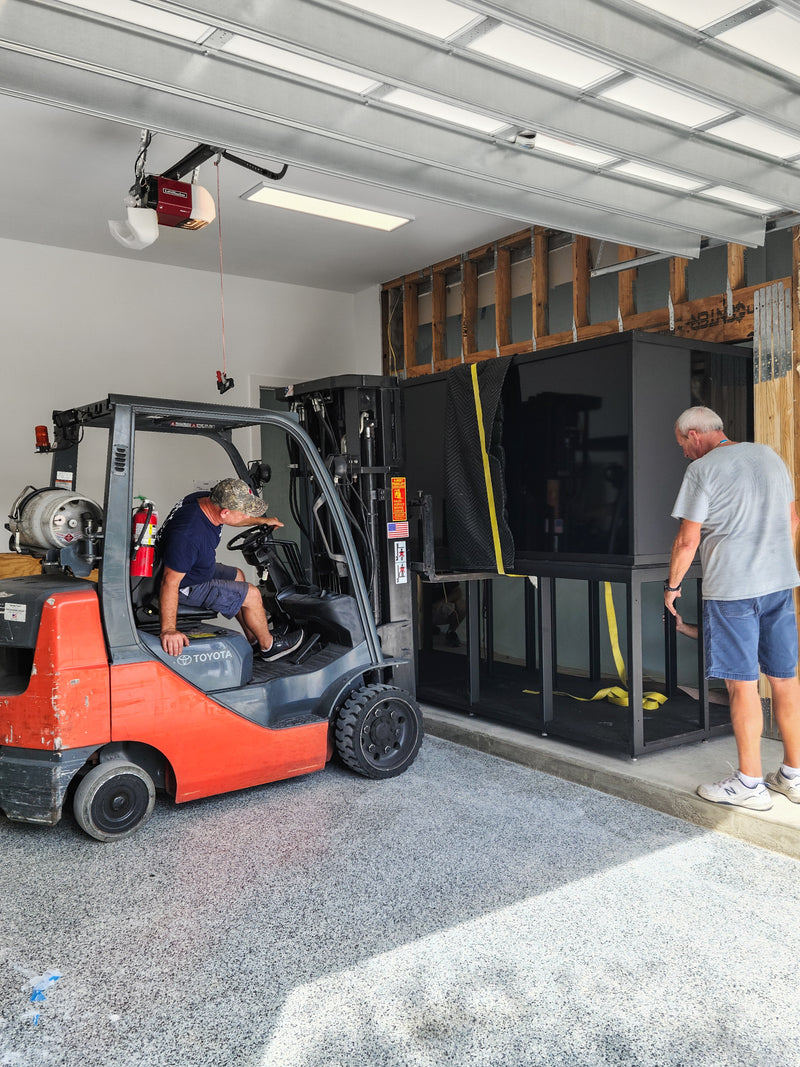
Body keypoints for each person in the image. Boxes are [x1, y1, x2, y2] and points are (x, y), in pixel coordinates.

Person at [665, 405, 800, 810]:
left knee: (741, 684)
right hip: (780, 584)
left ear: (693, 435)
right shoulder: (769, 456)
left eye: (681, 445)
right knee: (785, 680)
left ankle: (750, 784)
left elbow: (687, 540)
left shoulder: (702, 470)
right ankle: (793, 776)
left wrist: (672, 588)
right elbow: (793, 519)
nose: (683, 453)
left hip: (732, 590)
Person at [158, 478, 303, 663]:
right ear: (225, 512)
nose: (245, 516)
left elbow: (235, 518)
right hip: (185, 585)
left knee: (237, 575)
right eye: (244, 513)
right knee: (251, 594)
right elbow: (170, 582)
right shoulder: (189, 535)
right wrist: (169, 630)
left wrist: (262, 521)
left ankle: (254, 640)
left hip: (194, 568)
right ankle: (269, 647)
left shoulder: (205, 499)